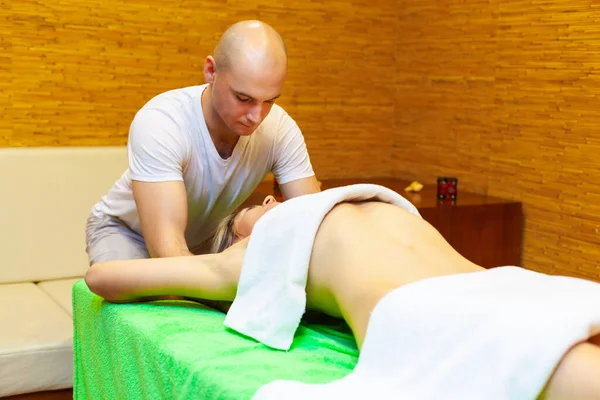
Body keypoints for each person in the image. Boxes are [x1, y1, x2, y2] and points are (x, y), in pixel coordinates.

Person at [85, 190, 600, 400]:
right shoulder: (254, 253)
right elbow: (102, 277)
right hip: (438, 311)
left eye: (267, 198)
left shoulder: (341, 202)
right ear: (239, 237)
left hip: (499, 284)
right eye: (243, 216)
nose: (268, 199)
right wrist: (203, 270)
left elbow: (102, 279)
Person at [85, 20, 320, 265]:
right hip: (127, 233)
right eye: (243, 98)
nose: (257, 116)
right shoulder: (163, 121)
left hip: (206, 239)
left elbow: (315, 216)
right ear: (211, 71)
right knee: (155, 299)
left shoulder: (279, 129)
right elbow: (167, 250)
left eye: (270, 101)